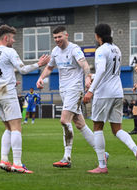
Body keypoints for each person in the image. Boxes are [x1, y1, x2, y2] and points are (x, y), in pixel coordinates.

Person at [0, 24, 50, 174]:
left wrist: (8, 79)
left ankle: (4, 159)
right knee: (16, 127)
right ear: (6, 38)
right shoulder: (9, 51)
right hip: (7, 92)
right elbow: (23, 69)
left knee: (8, 127)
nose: (13, 41)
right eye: (12, 38)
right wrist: (39, 64)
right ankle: (17, 164)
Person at [83, 23, 137, 174]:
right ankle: (136, 151)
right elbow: (108, 72)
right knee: (117, 129)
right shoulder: (117, 49)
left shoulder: (100, 50)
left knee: (98, 127)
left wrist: (90, 91)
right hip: (117, 92)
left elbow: (101, 71)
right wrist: (92, 76)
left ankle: (102, 166)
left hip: (104, 93)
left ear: (97, 35)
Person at [36, 26, 99, 169]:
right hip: (64, 91)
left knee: (64, 120)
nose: (57, 40)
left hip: (75, 89)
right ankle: (102, 153)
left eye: (59, 37)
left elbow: (84, 65)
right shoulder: (55, 51)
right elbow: (49, 68)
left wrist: (88, 77)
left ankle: (67, 158)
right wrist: (41, 78)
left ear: (66, 35)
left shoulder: (74, 49)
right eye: (55, 38)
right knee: (80, 124)